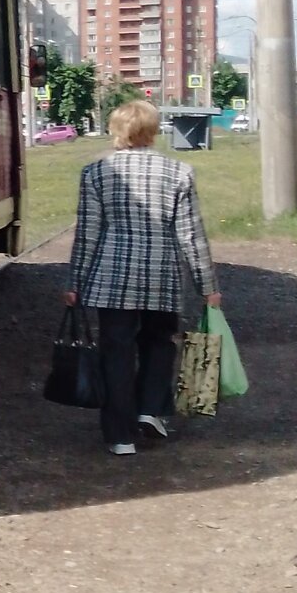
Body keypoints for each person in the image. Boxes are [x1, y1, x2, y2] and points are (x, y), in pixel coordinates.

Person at [66, 97, 218, 456]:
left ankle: (120, 436)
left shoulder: (95, 173)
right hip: (161, 276)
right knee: (160, 342)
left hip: (110, 278)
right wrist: (208, 287)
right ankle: (150, 409)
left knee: (115, 351)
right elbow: (191, 235)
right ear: (152, 131)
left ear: (116, 131)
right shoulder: (179, 173)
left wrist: (74, 282)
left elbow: (87, 233)